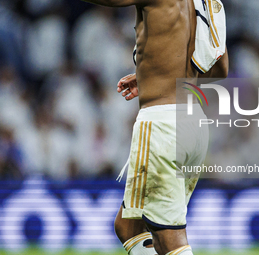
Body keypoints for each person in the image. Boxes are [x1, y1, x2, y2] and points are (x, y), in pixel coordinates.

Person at [82, 0, 229, 254]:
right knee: (129, 227)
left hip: (163, 124)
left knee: (170, 238)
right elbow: (220, 69)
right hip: (193, 122)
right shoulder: (208, 3)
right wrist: (153, 72)